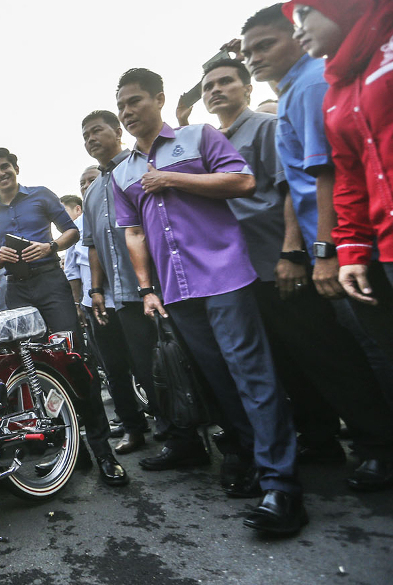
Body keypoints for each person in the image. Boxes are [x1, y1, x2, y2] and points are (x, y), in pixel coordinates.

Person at [112, 67, 304, 536]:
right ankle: (255, 462)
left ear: (159, 99)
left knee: (252, 375)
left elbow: (241, 183)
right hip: (177, 291)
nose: (127, 112)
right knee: (220, 380)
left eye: (135, 101)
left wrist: (174, 181)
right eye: (121, 106)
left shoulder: (198, 138)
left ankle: (284, 487)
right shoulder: (123, 172)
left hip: (225, 275)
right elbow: (133, 232)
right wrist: (146, 287)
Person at [201, 56, 393, 491]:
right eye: (209, 84)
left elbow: (290, 190)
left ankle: (377, 446)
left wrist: (292, 253)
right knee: (287, 364)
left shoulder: (265, 128)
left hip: (280, 261)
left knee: (329, 357)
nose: (216, 90)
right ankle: (321, 441)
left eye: (226, 81)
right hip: (243, 272)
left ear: (247, 88)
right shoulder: (211, 142)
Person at [241, 2, 393, 474]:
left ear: (297, 37)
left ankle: (382, 450)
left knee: (374, 347)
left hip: (348, 245)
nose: (254, 58)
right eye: (249, 52)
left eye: (266, 45)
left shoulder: (309, 85)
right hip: (335, 244)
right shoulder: (293, 89)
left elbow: (326, 174)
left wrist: (324, 252)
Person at [284, 0, 393, 423]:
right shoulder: (337, 89)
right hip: (384, 251)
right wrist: (349, 251)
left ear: (344, 0)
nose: (297, 30)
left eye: (306, 13)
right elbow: (348, 177)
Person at [0, 147, 127, 487]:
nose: (1, 173)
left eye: (5, 167)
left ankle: (103, 451)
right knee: (36, 369)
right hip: (17, 291)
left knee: (74, 360)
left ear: (16, 168)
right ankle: (72, 449)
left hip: (51, 284)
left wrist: (51, 247)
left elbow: (71, 231)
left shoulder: (42, 195)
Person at [80, 110, 208, 467]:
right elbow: (92, 246)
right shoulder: (91, 193)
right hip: (120, 298)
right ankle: (176, 437)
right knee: (147, 368)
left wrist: (149, 284)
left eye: (96, 131)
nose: (91, 139)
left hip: (157, 288)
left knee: (178, 365)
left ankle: (195, 436)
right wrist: (96, 291)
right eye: (85, 135)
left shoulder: (135, 171)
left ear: (117, 131)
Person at [64, 168, 150, 457]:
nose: (87, 185)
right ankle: (132, 425)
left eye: (90, 180)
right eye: (82, 182)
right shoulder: (81, 226)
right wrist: (81, 303)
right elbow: (75, 270)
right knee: (114, 369)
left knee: (145, 363)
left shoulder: (121, 206)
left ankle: (167, 420)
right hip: (97, 305)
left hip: (131, 299)